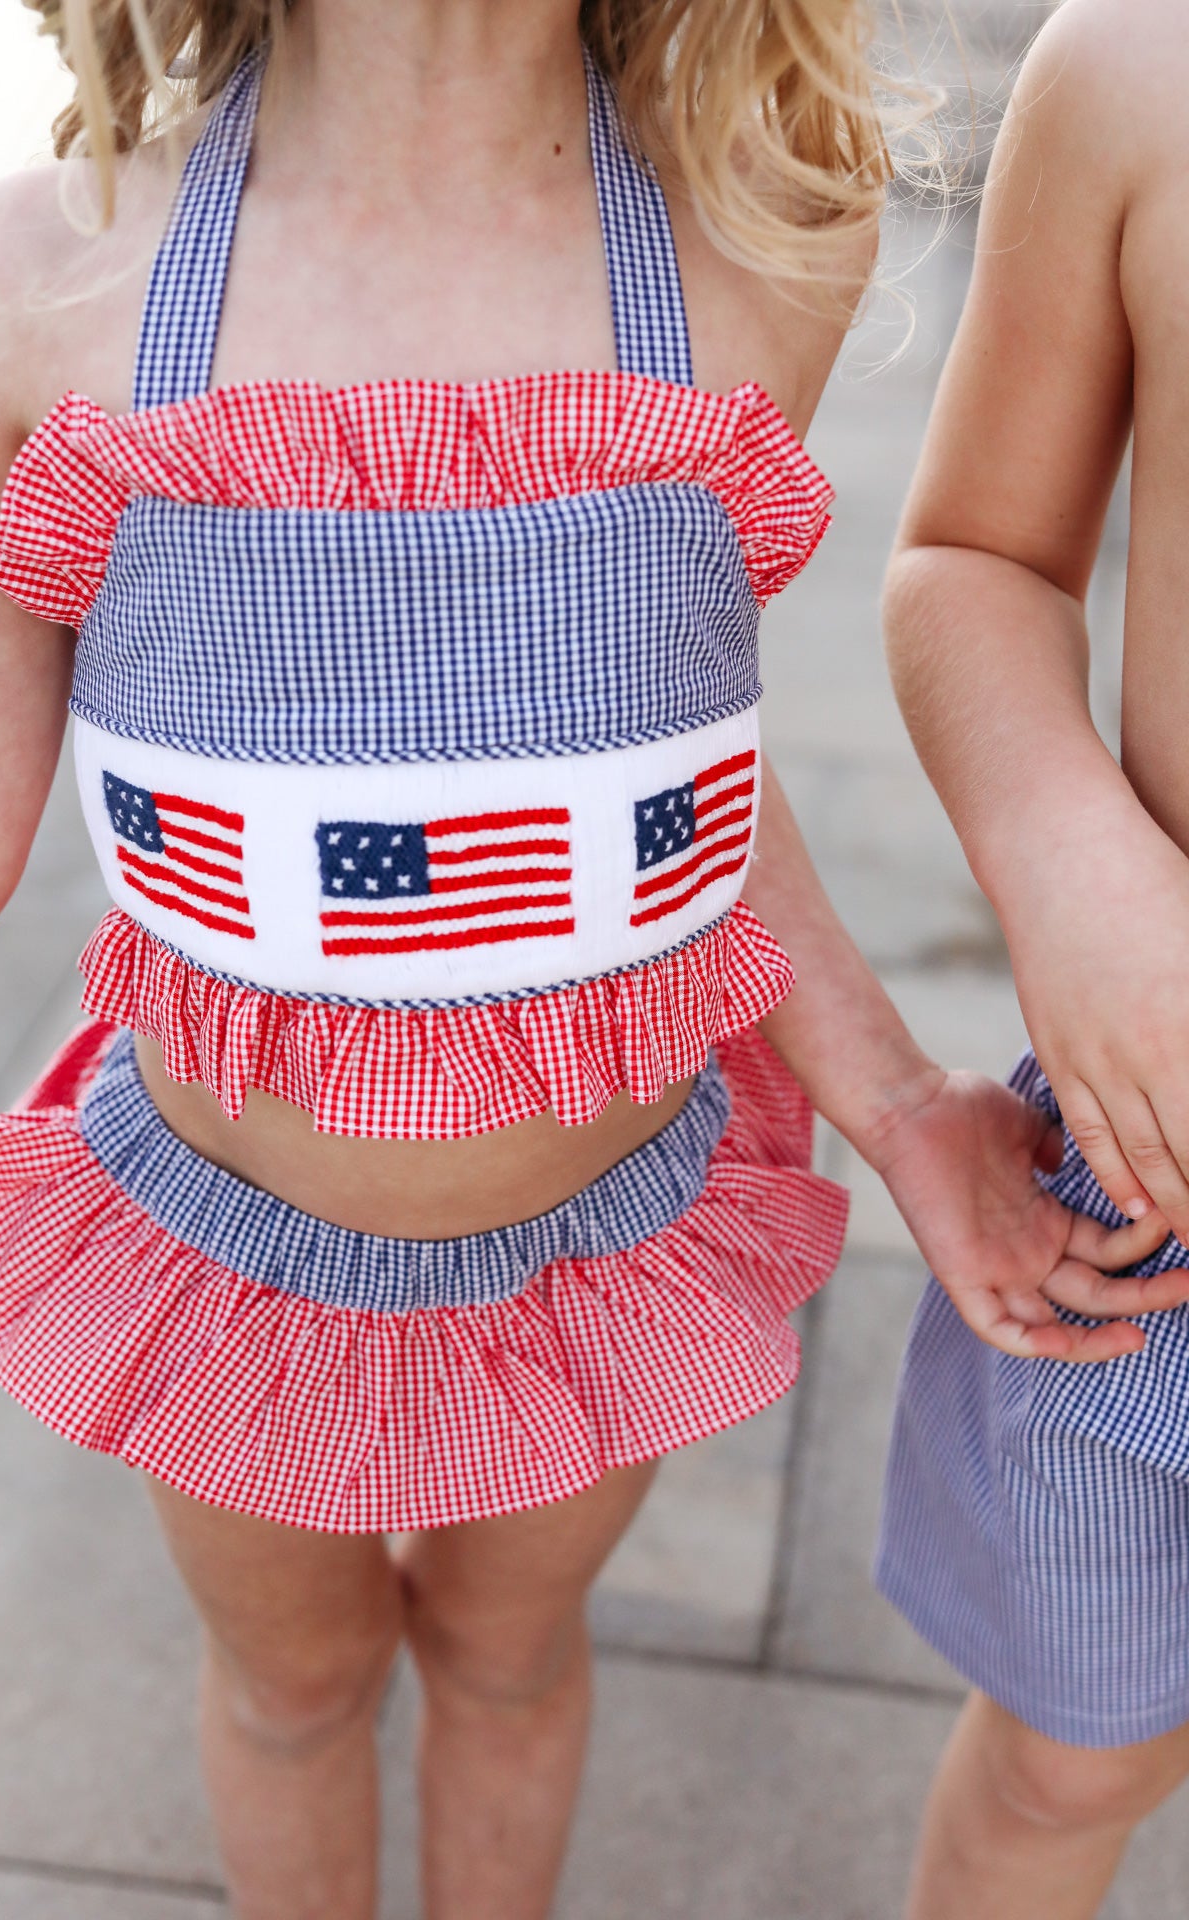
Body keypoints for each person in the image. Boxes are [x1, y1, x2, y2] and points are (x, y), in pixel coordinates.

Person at [0, 3, 1178, 1916]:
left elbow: (674, 794)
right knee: (291, 1681)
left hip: (595, 1259)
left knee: (512, 1662)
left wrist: (905, 1102)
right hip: (222, 1271)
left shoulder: (762, 252)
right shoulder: (42, 278)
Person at [874, 1, 1189, 1913]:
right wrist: (1072, 858)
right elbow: (977, 555)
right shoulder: (1145, 71)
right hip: (1152, 1214)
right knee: (1066, 1771)